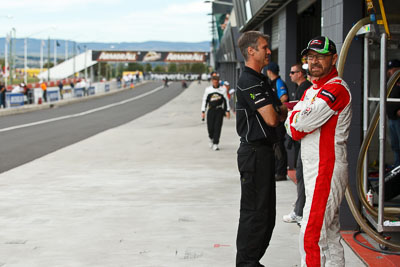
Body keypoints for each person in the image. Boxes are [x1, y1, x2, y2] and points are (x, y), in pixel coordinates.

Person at [285, 36, 352, 267]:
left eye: (321, 57)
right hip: (316, 169)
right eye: (310, 57)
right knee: (329, 234)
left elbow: (298, 125)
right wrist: (296, 118)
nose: (314, 62)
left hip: (327, 168)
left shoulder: (336, 88)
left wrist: (295, 117)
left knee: (311, 235)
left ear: (333, 58)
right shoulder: (312, 90)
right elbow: (293, 127)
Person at [235, 31, 287, 266]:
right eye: (265, 47)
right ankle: (246, 263)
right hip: (254, 154)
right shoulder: (248, 81)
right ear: (251, 51)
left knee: (266, 215)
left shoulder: (260, 79)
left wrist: (281, 110)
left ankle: (252, 261)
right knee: (255, 213)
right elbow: (272, 118)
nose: (269, 51)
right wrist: (281, 111)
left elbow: (278, 111)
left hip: (264, 154)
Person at [282, 63, 313, 224]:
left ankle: (300, 211)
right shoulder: (306, 89)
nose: (290, 75)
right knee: (301, 174)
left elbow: (302, 117)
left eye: (293, 72)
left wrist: (292, 114)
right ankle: (300, 208)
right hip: (303, 138)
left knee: (302, 174)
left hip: (308, 139)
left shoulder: (307, 89)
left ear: (301, 74)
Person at [266, 62, 289, 181]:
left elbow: (284, 98)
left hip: (279, 120)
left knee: (279, 145)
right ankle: (277, 170)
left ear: (269, 71)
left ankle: (281, 172)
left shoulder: (278, 82)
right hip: (274, 119)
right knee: (275, 145)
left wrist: (279, 112)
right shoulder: (271, 83)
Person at [201, 73, 230, 151]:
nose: (215, 82)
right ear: (212, 81)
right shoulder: (208, 90)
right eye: (214, 81)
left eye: (216, 81)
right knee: (210, 127)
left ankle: (216, 143)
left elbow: (226, 100)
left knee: (218, 127)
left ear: (218, 81)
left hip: (219, 111)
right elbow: (205, 100)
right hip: (211, 110)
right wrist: (203, 111)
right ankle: (211, 137)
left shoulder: (222, 90)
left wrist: (227, 110)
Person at [386, 59, 400, 167]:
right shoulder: (390, 84)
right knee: (395, 145)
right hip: (391, 119)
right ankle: (397, 166)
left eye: (394, 70)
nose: (392, 73)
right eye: (390, 70)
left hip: (398, 119)